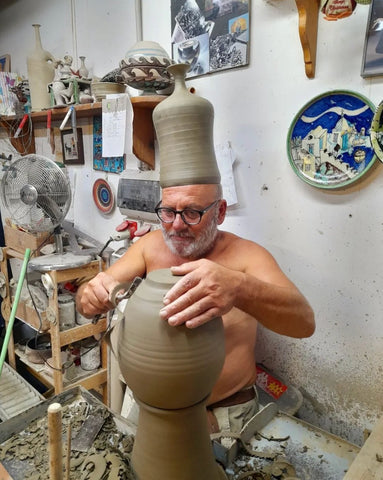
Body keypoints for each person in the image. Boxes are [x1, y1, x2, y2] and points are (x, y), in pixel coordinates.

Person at [76, 182, 315, 434]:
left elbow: (304, 323)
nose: (177, 225)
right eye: (168, 212)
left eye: (192, 213)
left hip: (224, 414)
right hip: (151, 407)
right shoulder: (150, 246)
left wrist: (240, 288)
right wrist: (89, 296)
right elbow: (87, 301)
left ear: (220, 212)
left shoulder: (247, 256)